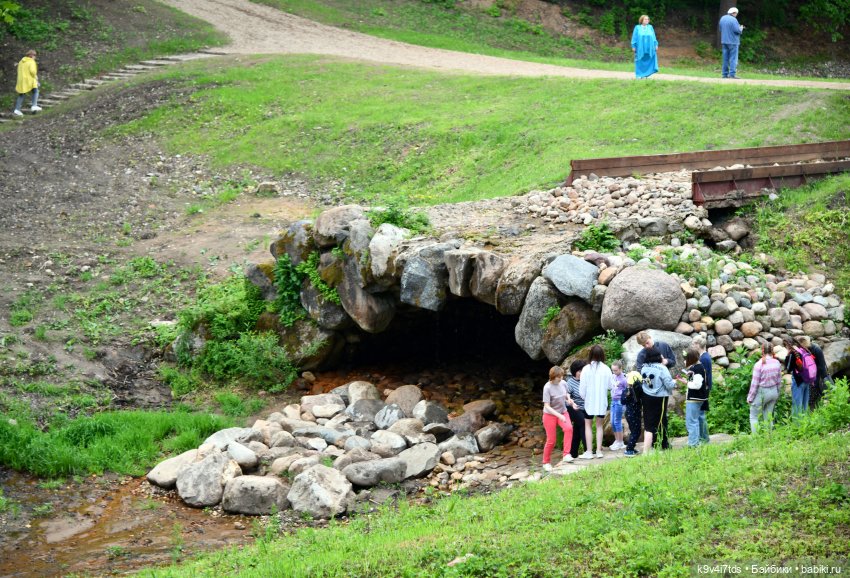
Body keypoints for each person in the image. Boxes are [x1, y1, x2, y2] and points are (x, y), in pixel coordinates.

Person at [639, 346, 675, 452]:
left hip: (646, 396)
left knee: (649, 422)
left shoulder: (644, 367)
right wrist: (674, 383)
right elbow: (669, 384)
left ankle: (654, 444)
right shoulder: (662, 368)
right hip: (659, 398)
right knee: (661, 421)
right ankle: (661, 445)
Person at [580, 345, 612, 459]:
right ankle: (598, 451)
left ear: (591, 355)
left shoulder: (586, 369)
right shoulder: (606, 369)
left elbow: (582, 388)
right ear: (602, 355)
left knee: (587, 425)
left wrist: (584, 397)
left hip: (589, 401)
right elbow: (610, 386)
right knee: (599, 426)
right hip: (601, 401)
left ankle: (589, 452)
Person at [541, 366, 575, 472]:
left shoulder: (563, 383)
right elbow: (547, 406)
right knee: (551, 440)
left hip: (563, 412)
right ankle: (546, 462)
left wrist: (569, 400)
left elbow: (566, 394)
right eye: (558, 377)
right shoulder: (547, 387)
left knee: (569, 428)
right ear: (553, 377)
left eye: (561, 376)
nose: (560, 379)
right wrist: (559, 415)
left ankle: (566, 454)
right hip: (550, 415)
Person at [747, 343, 781, 432]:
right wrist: (778, 393)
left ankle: (756, 439)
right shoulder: (777, 363)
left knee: (754, 416)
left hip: (762, 392)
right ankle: (769, 437)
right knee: (768, 416)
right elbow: (779, 381)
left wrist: (750, 398)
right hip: (773, 391)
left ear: (762, 351)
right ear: (772, 351)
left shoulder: (759, 365)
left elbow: (754, 384)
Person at [681, 347, 708, 447]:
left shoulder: (697, 369)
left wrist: (686, 382)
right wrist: (690, 374)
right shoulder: (698, 367)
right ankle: (703, 440)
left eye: (686, 358)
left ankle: (693, 444)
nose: (685, 361)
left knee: (691, 422)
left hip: (694, 399)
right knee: (699, 419)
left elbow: (697, 385)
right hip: (700, 398)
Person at [796, 336, 831, 409]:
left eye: (800, 345)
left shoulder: (816, 349)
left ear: (804, 343)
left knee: (817, 392)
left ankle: (815, 409)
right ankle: (812, 409)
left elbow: (822, 366)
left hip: (817, 373)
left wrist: (824, 379)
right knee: (811, 397)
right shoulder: (801, 349)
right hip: (809, 375)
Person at [566, 360, 590, 459]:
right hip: (573, 408)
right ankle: (587, 450)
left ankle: (573, 453)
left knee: (577, 429)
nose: (581, 373)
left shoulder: (586, 380)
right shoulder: (570, 382)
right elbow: (566, 395)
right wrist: (572, 402)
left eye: (582, 370)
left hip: (585, 408)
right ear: (575, 371)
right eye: (579, 371)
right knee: (583, 424)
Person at [784, 337, 810, 418]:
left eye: (785, 345)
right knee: (804, 406)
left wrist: (787, 356)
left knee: (797, 406)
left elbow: (788, 369)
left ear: (788, 345)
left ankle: (797, 426)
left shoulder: (792, 354)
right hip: (806, 380)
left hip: (798, 382)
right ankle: (805, 424)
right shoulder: (802, 350)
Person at [693, 335, 712, 444]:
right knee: (700, 414)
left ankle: (704, 438)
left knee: (700, 415)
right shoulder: (703, 357)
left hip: (702, 389)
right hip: (702, 388)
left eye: (693, 344)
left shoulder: (704, 358)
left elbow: (702, 375)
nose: (692, 346)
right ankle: (702, 437)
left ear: (697, 345)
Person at [14, 50, 41, 117]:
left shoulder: (21, 61)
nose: (35, 57)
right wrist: (36, 77)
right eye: (34, 55)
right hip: (29, 79)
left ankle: (17, 109)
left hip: (21, 80)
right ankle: (34, 105)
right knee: (35, 90)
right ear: (31, 55)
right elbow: (32, 71)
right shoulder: (31, 61)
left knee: (21, 94)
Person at [718, 7, 744, 79]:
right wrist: (741, 28)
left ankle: (724, 74)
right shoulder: (734, 19)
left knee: (725, 58)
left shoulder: (722, 18)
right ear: (734, 13)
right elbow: (737, 31)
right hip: (733, 42)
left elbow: (720, 29)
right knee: (733, 58)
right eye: (736, 14)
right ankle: (732, 74)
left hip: (724, 41)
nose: (736, 15)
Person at [631, 14, 659, 79]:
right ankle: (639, 75)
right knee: (639, 60)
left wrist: (656, 44)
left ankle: (646, 75)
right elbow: (634, 37)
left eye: (648, 19)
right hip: (640, 47)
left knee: (649, 60)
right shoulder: (637, 27)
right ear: (642, 20)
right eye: (645, 19)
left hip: (650, 47)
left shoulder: (650, 27)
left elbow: (654, 37)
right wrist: (633, 46)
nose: (647, 20)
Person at [622, 370, 644, 457]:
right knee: (636, 431)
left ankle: (631, 448)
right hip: (634, 414)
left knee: (633, 431)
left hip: (629, 413)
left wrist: (626, 396)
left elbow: (622, 401)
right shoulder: (637, 390)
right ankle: (629, 449)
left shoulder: (626, 390)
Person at [609, 362, 627, 450]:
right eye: (613, 370)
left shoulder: (624, 379)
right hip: (613, 400)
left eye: (616, 370)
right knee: (612, 422)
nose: (614, 372)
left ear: (620, 369)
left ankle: (620, 442)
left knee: (617, 421)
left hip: (620, 401)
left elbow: (627, 391)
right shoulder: (613, 376)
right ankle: (617, 440)